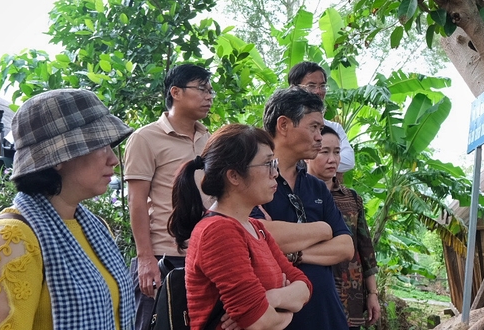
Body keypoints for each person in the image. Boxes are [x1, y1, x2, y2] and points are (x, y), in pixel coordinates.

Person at [0, 89, 137, 330]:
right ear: (58, 157)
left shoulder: (94, 227)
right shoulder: (8, 241)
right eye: (101, 145)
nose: (113, 159)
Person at [169, 123, 311, 330]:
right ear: (233, 175)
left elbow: (304, 286)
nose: (276, 174)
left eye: (275, 163)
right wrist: (288, 311)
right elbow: (260, 322)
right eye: (267, 164)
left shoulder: (255, 227)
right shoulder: (218, 232)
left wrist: (271, 298)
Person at [252, 87, 355, 330]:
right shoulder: (252, 180)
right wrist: (322, 229)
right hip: (277, 317)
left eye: (320, 129)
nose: (320, 137)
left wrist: (295, 253)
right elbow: (257, 237)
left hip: (327, 315)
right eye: (314, 127)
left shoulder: (317, 187)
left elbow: (346, 247)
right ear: (284, 125)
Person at [123, 64, 214, 330]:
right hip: (164, 258)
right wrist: (145, 259)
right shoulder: (145, 138)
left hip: (205, 257)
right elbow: (136, 201)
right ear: (175, 92)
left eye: (210, 90)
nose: (209, 96)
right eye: (201, 89)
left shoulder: (209, 140)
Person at [307, 126, 381, 328]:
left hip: (351, 294)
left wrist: (373, 293)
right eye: (325, 152)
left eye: (337, 152)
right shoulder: (297, 195)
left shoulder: (352, 198)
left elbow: (365, 248)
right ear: (309, 153)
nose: (333, 159)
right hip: (313, 291)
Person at [288, 62, 355, 173]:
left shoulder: (333, 128)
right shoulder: (286, 124)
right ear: (294, 88)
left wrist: (313, 161)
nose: (318, 91)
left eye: (322, 86)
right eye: (311, 86)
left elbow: (348, 161)